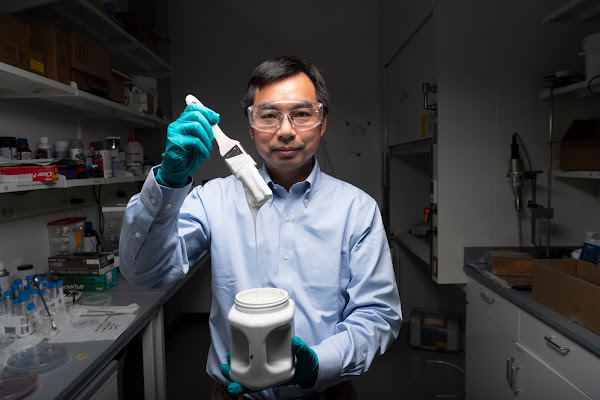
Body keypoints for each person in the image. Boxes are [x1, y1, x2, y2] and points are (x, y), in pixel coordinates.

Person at [119, 55, 402, 400]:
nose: (285, 130)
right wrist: (168, 182)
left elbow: (378, 315)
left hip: (325, 394)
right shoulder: (212, 200)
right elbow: (144, 272)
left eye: (301, 114)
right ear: (251, 126)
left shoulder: (357, 210)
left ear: (322, 121)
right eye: (268, 115)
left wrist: (320, 363)